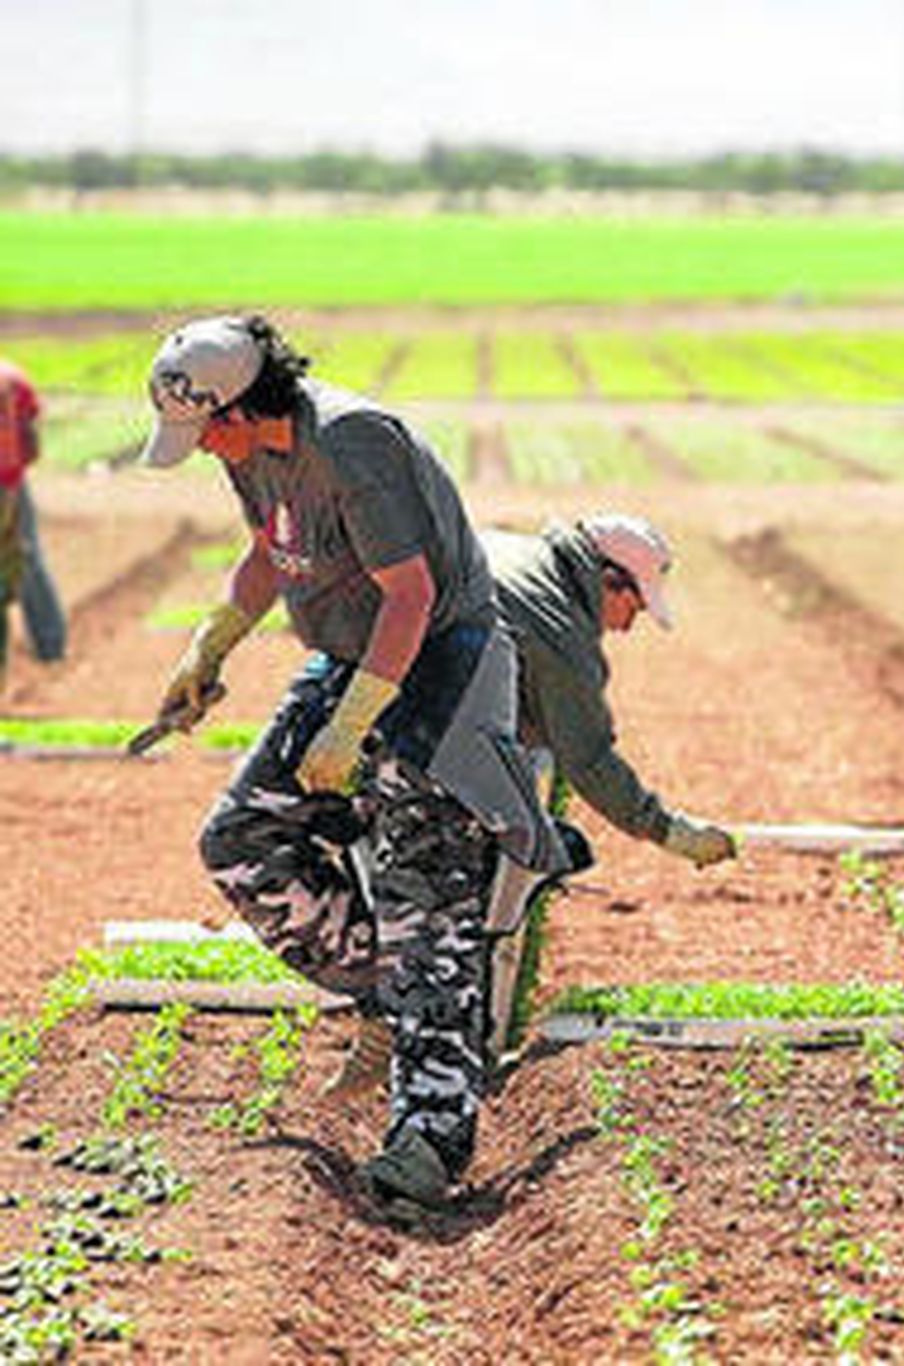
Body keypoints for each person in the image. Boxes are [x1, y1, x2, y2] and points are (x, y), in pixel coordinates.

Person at [138, 314, 562, 1210]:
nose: (206, 451)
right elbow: (269, 553)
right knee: (242, 839)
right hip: (347, 655)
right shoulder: (251, 455)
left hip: (444, 660)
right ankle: (389, 993)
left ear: (245, 405)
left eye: (207, 430)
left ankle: (431, 1138)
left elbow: (411, 597)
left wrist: (357, 723)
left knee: (423, 892)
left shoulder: (353, 445)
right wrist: (210, 646)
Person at [480, 515, 738, 1051]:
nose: (628, 624)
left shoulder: (515, 554)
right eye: (634, 606)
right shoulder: (560, 634)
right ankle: (452, 1034)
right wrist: (668, 830)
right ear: (608, 579)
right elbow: (589, 760)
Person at [0, 358, 67, 691]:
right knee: (28, 561)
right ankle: (51, 644)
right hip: (11, 483)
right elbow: (33, 442)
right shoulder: (12, 376)